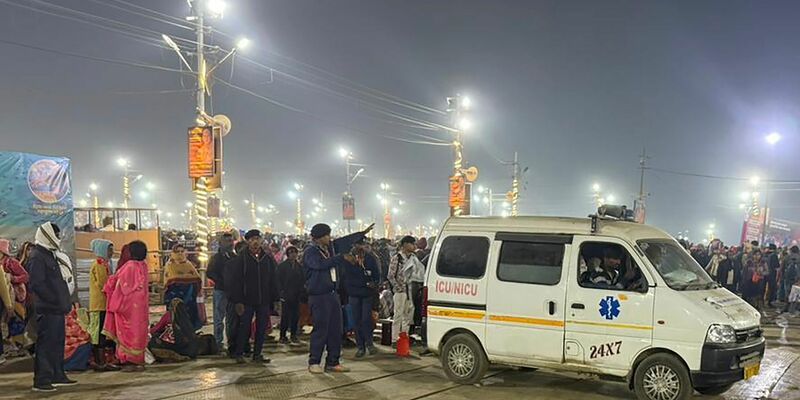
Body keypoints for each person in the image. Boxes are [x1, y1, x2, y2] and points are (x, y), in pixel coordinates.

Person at [304, 223, 373, 374]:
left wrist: (361, 233)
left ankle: (333, 362)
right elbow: (319, 265)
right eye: (327, 235)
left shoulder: (330, 249)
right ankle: (314, 361)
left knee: (336, 329)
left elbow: (344, 241)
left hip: (333, 294)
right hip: (319, 295)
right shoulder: (311, 252)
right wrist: (340, 258)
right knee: (321, 329)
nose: (329, 238)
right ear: (319, 237)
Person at [27, 222, 76, 392]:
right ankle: (42, 380)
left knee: (57, 343)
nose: (58, 237)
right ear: (47, 235)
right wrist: (54, 299)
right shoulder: (37, 256)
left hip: (56, 309)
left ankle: (57, 375)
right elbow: (37, 284)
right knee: (46, 345)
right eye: (56, 234)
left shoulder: (50, 254)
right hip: (47, 309)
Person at [225, 230, 279, 364]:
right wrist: (237, 301)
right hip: (246, 300)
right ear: (247, 241)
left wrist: (276, 298)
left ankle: (257, 354)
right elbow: (236, 281)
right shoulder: (241, 259)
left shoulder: (267, 258)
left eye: (257, 239)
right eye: (252, 239)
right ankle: (239, 353)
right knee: (244, 328)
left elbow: (273, 279)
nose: (255, 242)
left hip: (263, 300)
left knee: (261, 329)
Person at [102, 240, 149, 372]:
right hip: (140, 306)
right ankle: (138, 358)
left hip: (127, 306)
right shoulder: (144, 265)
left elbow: (121, 286)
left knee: (127, 331)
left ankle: (127, 358)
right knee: (139, 330)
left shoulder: (129, 266)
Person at [342, 241, 380, 358]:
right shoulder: (349, 261)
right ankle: (360, 346)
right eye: (357, 244)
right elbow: (346, 277)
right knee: (356, 321)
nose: (360, 247)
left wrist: (374, 283)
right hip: (354, 294)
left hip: (367, 294)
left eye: (362, 244)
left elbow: (377, 275)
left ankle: (369, 344)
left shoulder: (370, 259)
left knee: (366, 320)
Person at [87, 239, 120, 372]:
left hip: (102, 303)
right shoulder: (100, 265)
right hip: (99, 304)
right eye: (109, 249)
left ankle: (101, 361)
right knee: (98, 333)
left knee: (101, 332)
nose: (112, 252)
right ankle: (100, 362)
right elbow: (103, 284)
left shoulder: (105, 264)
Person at [388, 236, 420, 345]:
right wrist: (398, 288)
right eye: (412, 244)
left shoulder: (413, 258)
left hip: (410, 291)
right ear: (406, 244)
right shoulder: (397, 258)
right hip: (400, 291)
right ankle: (394, 339)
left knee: (407, 316)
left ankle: (404, 339)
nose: (414, 246)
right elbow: (391, 276)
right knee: (398, 315)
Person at [0, 239, 29, 362]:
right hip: (4, 299)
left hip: (14, 299)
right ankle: (10, 348)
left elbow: (26, 276)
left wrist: (12, 278)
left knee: (15, 322)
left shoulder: (11, 263)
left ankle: (20, 347)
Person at [206, 233, 235, 353]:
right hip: (220, 290)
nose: (230, 243)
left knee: (231, 318)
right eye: (228, 241)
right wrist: (222, 281)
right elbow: (210, 272)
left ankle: (231, 341)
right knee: (219, 318)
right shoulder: (216, 258)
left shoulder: (233, 256)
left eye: (231, 240)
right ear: (221, 243)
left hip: (232, 291)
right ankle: (218, 342)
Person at [164, 244, 203, 331]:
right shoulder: (170, 265)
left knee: (190, 318)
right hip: (175, 295)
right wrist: (185, 278)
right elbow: (171, 279)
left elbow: (196, 278)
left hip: (190, 297)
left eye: (182, 251)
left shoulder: (188, 264)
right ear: (173, 253)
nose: (180, 253)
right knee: (177, 317)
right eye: (177, 251)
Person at [278, 246, 305, 344]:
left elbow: (302, 280)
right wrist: (280, 293)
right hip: (286, 295)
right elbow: (278, 281)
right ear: (287, 254)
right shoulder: (282, 266)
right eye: (291, 252)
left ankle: (293, 335)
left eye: (295, 252)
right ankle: (282, 335)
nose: (293, 254)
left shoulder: (299, 267)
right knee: (285, 316)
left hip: (296, 295)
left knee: (295, 316)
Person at [782, 246, 800, 313]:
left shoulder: (786, 257)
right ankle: (794, 308)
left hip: (787, 278)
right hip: (797, 279)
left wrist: (782, 277)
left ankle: (786, 307)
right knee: (796, 294)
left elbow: (782, 268)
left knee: (787, 293)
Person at [766, 244, 781, 308]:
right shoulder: (774, 255)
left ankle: (767, 301)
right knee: (772, 288)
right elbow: (777, 266)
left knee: (768, 288)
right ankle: (770, 302)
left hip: (767, 273)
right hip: (772, 274)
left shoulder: (767, 255)